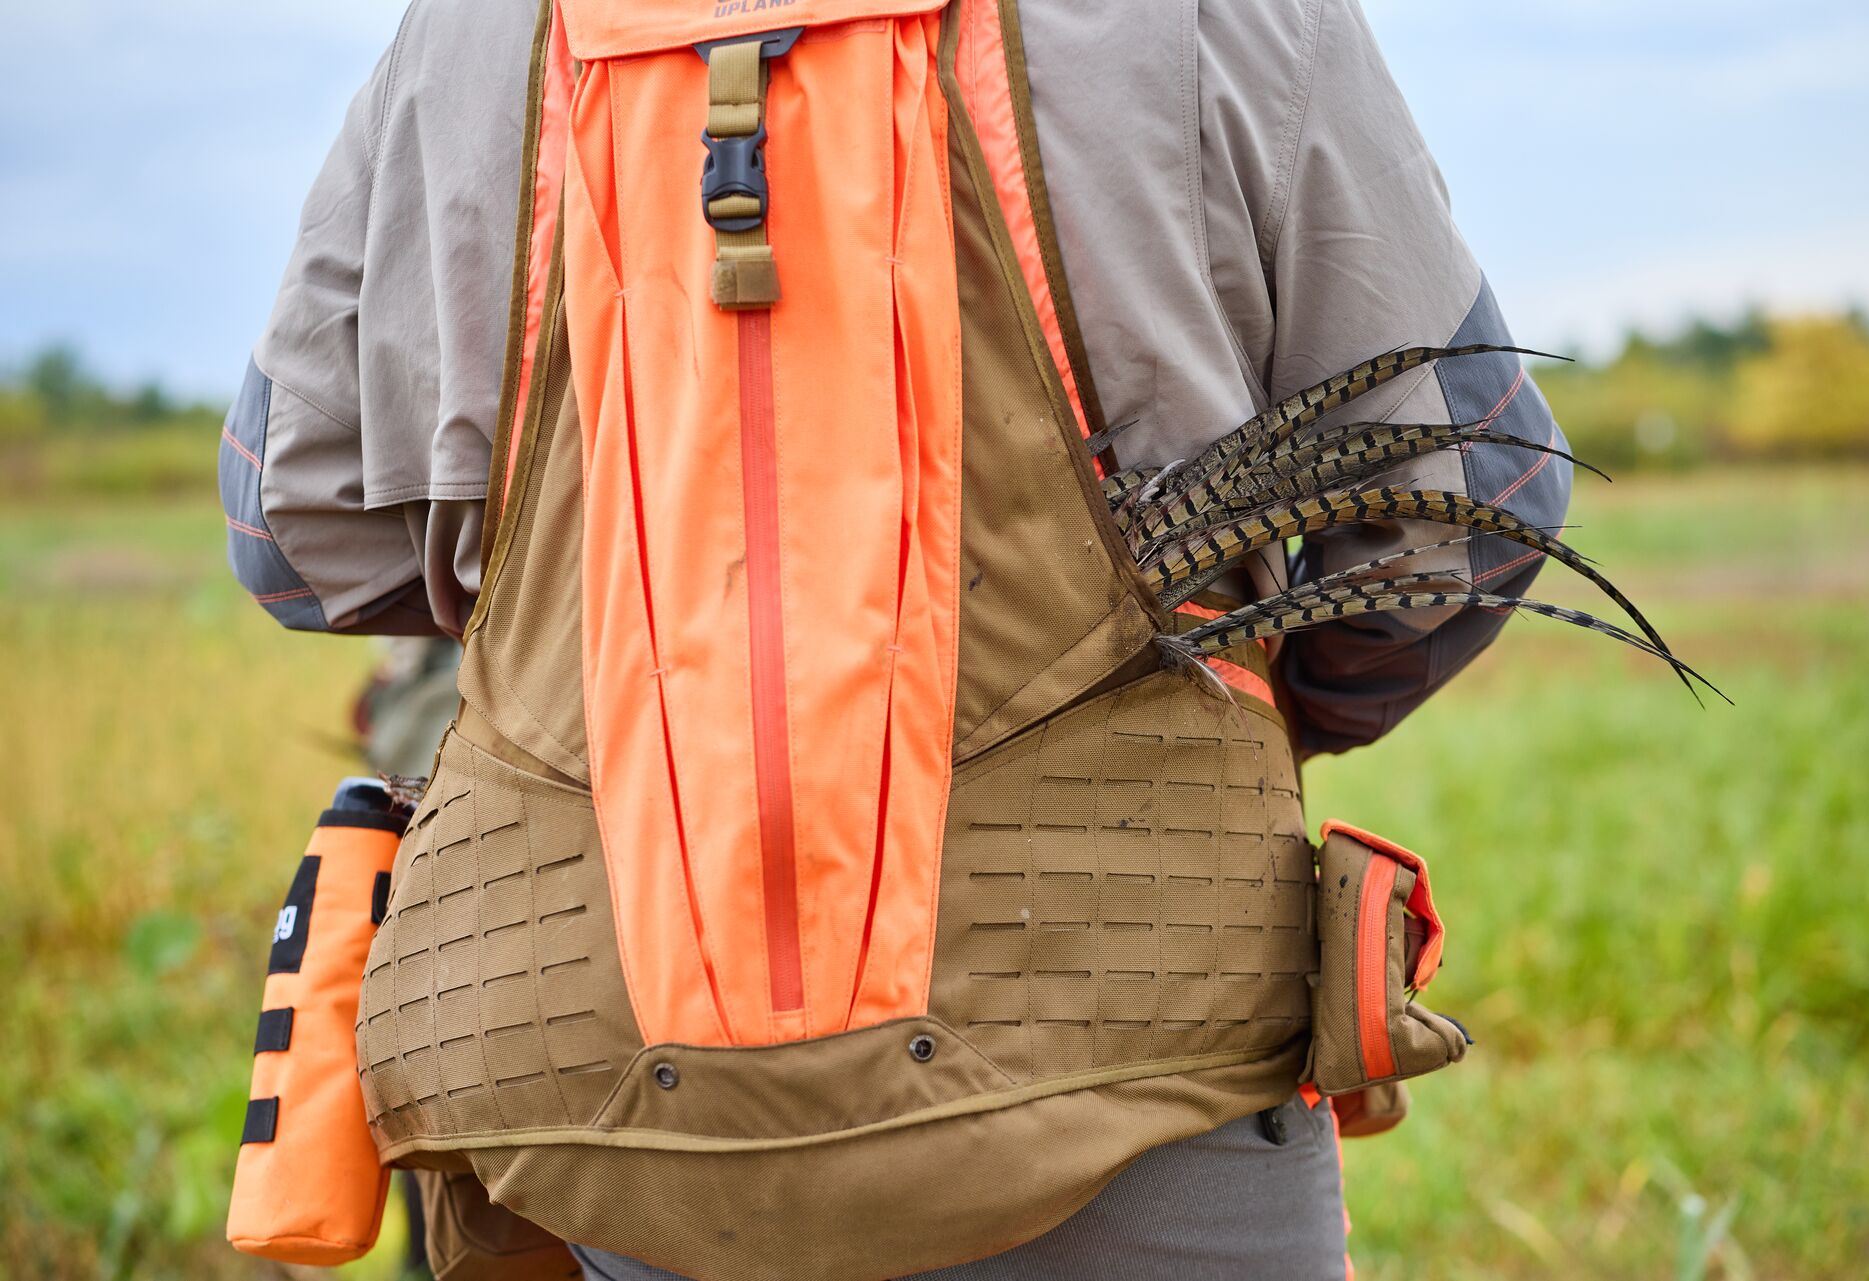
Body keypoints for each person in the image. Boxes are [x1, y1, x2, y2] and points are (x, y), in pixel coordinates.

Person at [221, 1, 1570, 1276]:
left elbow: (291, 521)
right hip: (1145, 1067)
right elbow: (1483, 495)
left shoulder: (469, 34)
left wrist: (600, 640)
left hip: (594, 1116)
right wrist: (1228, 718)